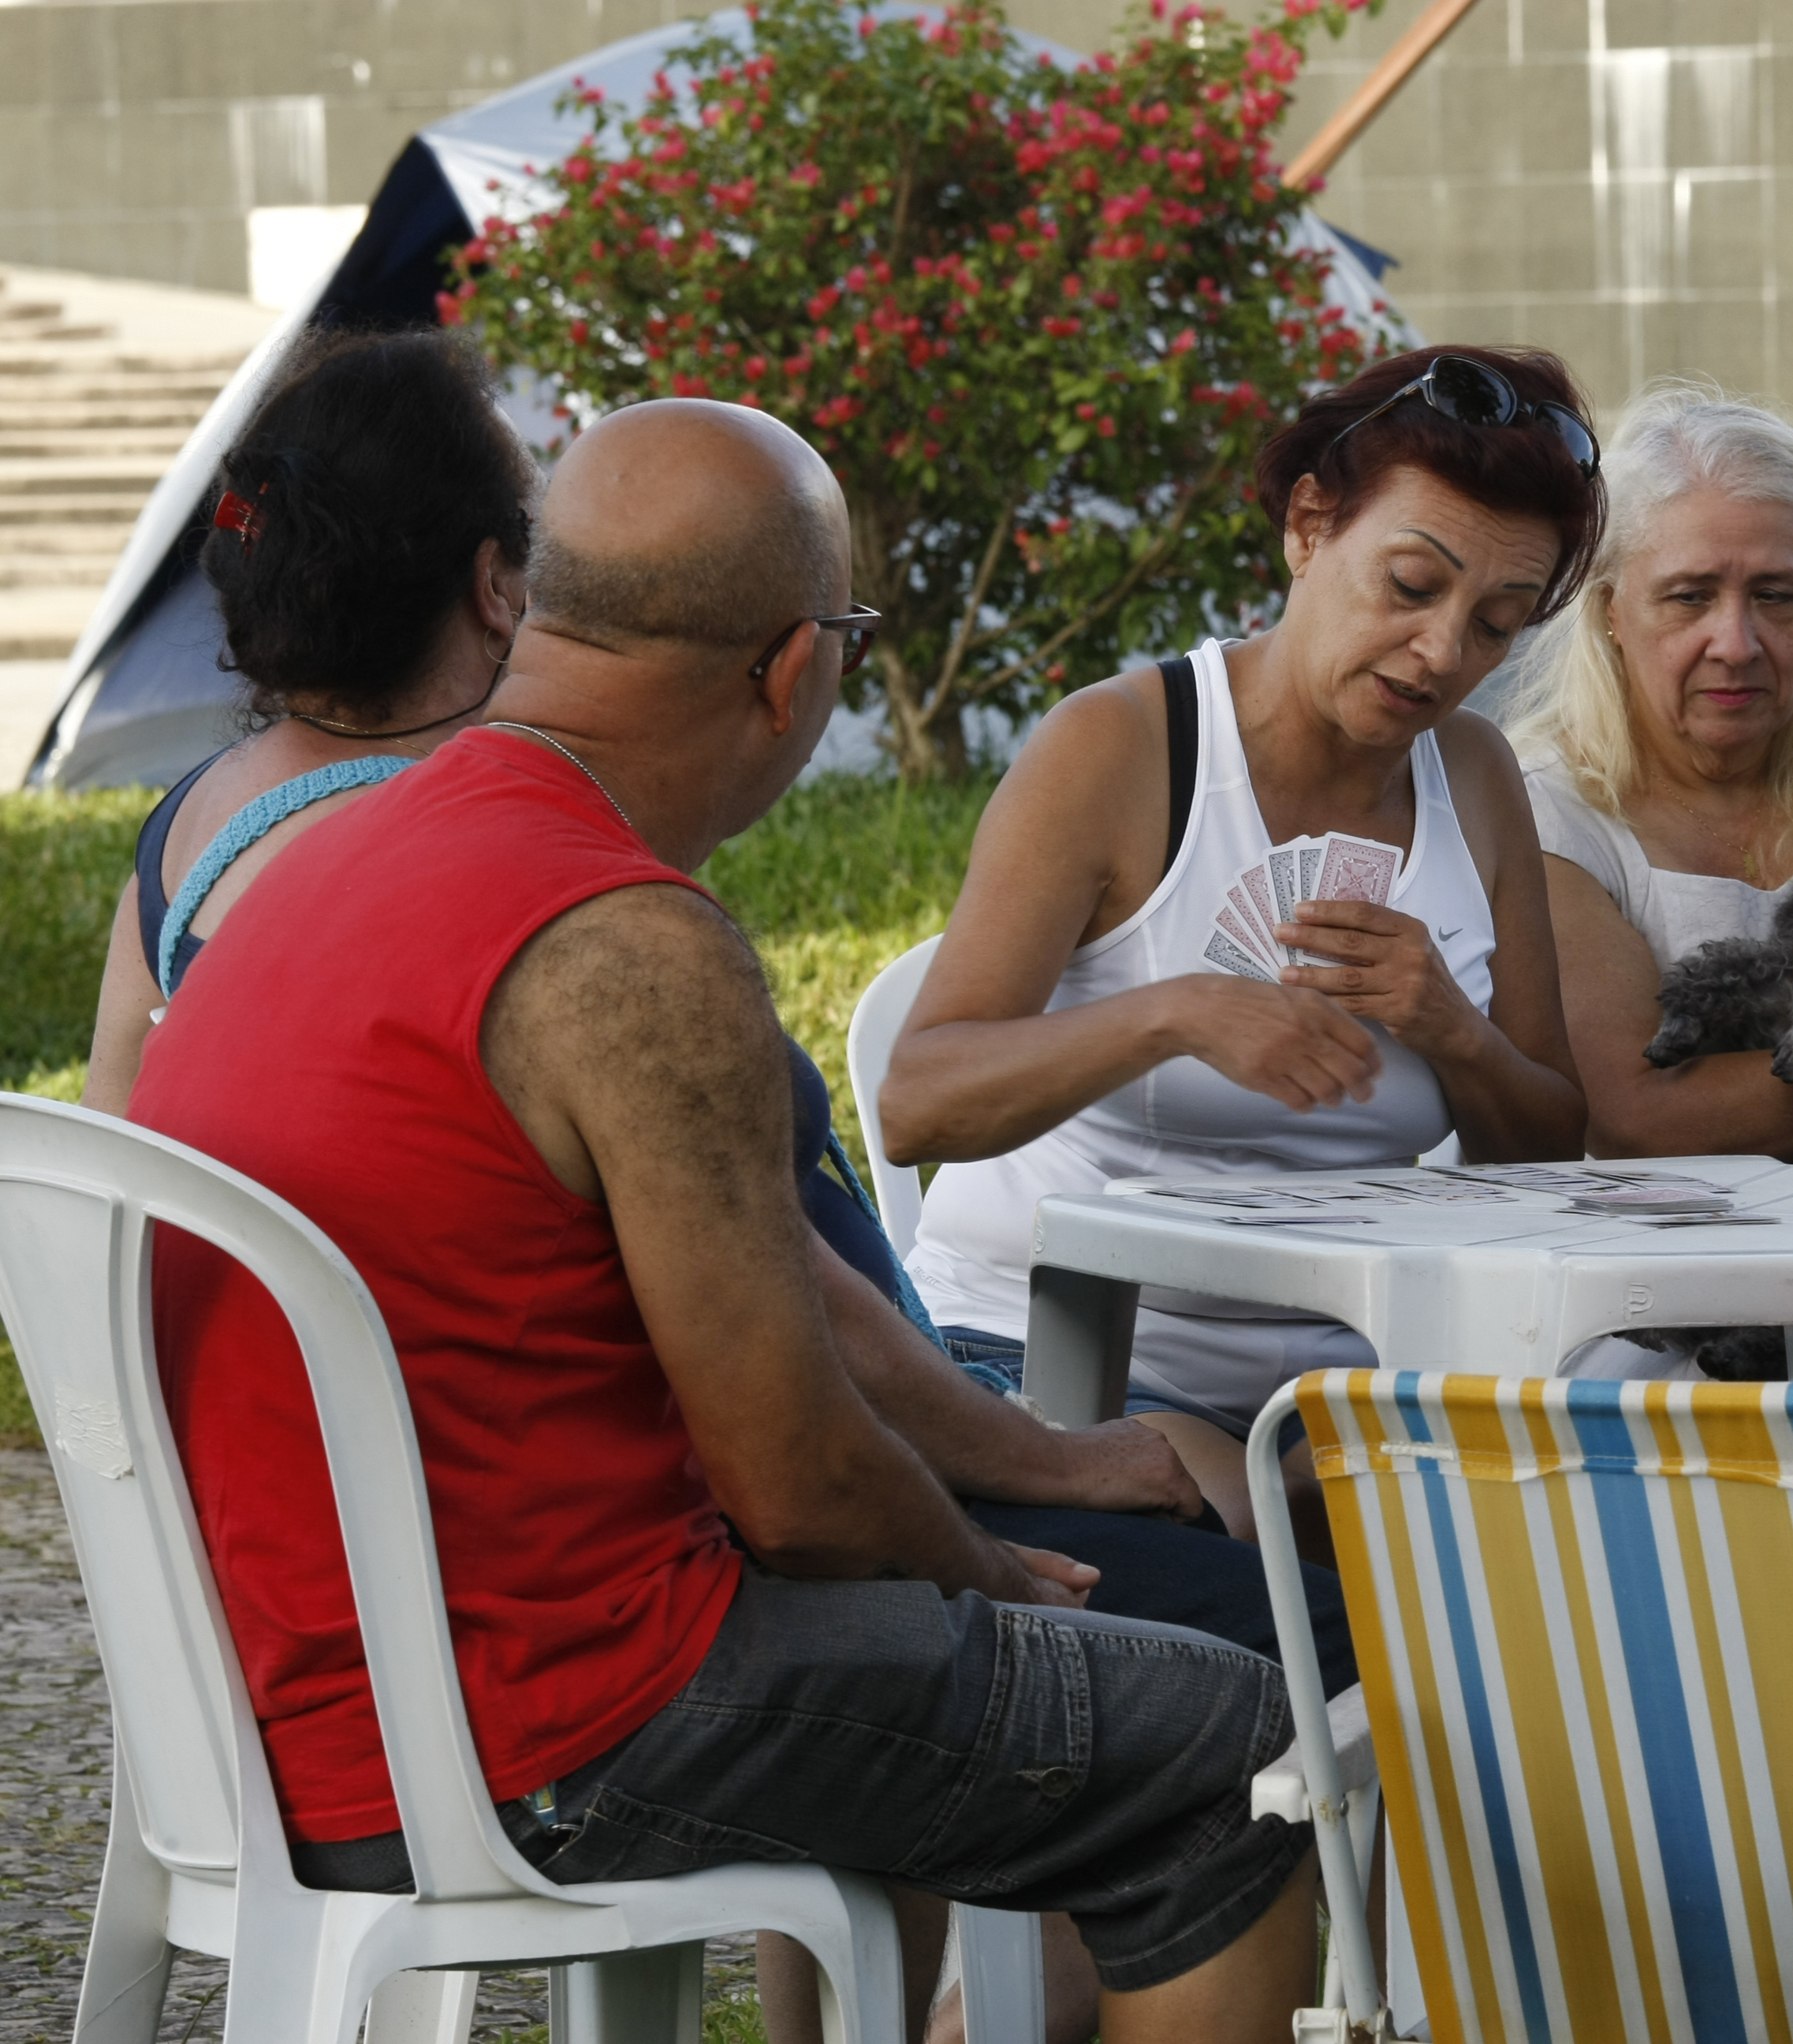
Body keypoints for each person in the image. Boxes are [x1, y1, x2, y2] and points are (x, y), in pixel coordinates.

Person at [128, 398, 1316, 2040]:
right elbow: (806, 1492)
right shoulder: (625, 944)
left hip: (315, 1713)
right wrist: (997, 1576)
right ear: (791, 672)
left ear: (534, 611)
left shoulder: (337, 853)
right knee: (1246, 1755)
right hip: (550, 1740)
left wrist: (1045, 1468)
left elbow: (783, 1299)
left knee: (976, 1677)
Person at [883, 347, 1596, 1538]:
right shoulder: (1122, 750)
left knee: (1628, 1492)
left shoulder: (1473, 776)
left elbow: (1552, 1150)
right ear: (1310, 528)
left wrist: (1453, 1032)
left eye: (1497, 626)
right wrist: (1175, 1011)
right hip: (1055, 1363)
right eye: (1411, 585)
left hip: (1346, 1381)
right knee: (1350, 1585)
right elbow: (917, 1103)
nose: (1442, 654)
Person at [81, 327, 528, 1113]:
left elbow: (112, 1143)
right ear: (493, 584)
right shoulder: (496, 856)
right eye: (542, 531)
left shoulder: (184, 828)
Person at [1498, 382, 1793, 1163]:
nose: (1735, 643)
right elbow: (1638, 1116)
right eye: (1689, 596)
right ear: (1609, 606)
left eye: (1776, 596)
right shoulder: (1545, 809)